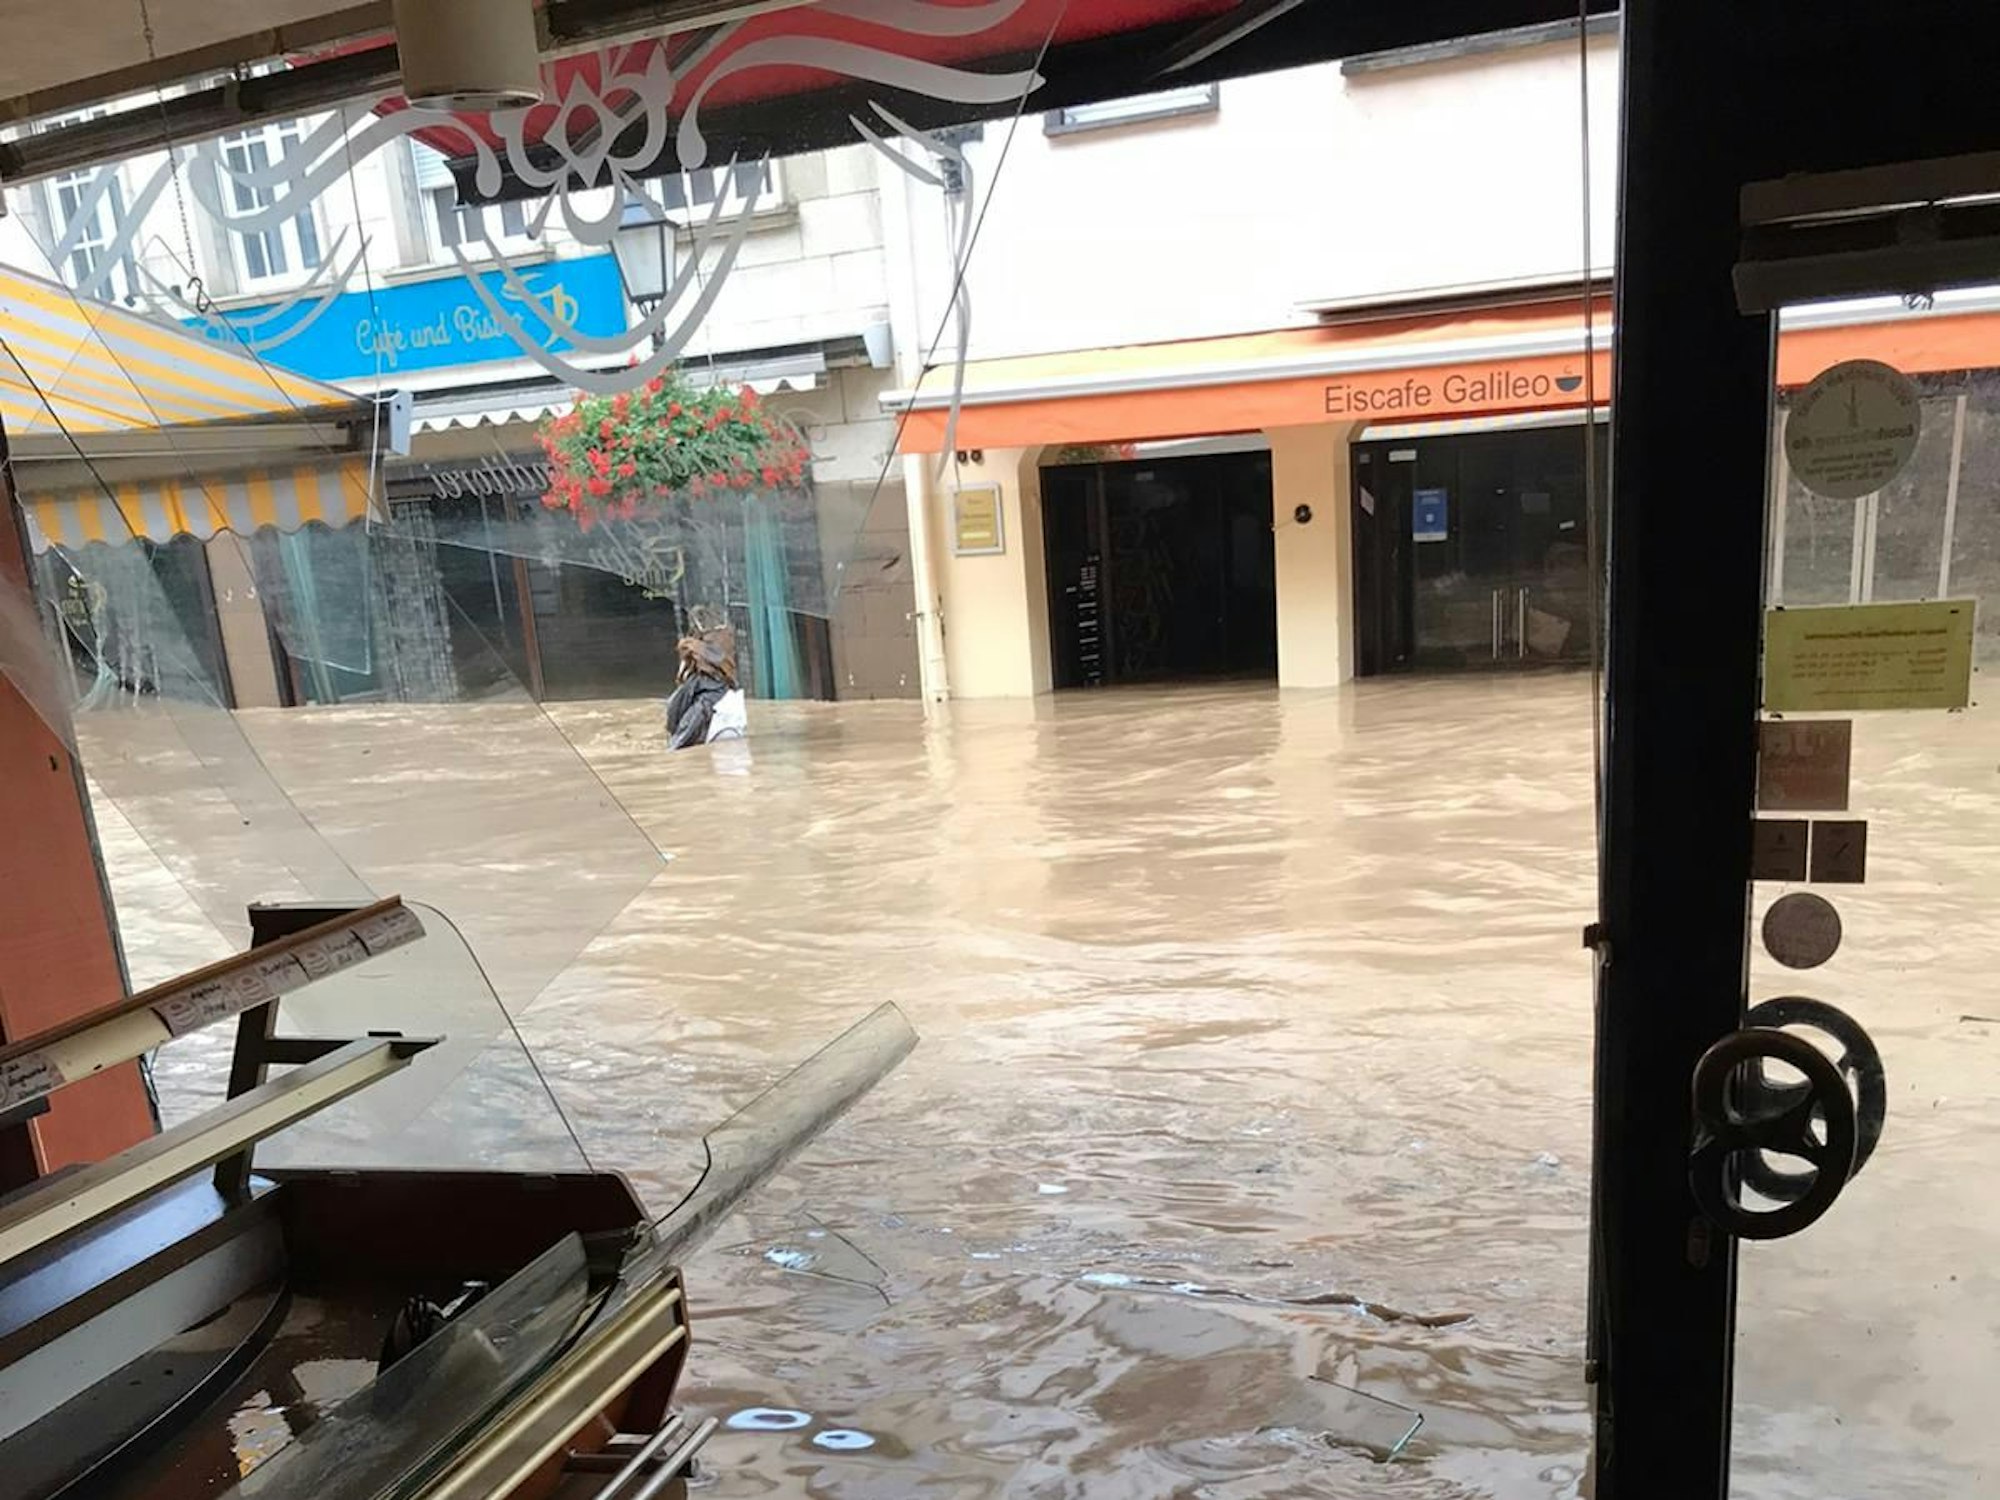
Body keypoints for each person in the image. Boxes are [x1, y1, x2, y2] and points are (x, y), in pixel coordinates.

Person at [664, 626, 748, 749]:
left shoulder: (723, 635)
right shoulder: (730, 693)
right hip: (701, 686)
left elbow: (720, 660)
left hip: (715, 693)